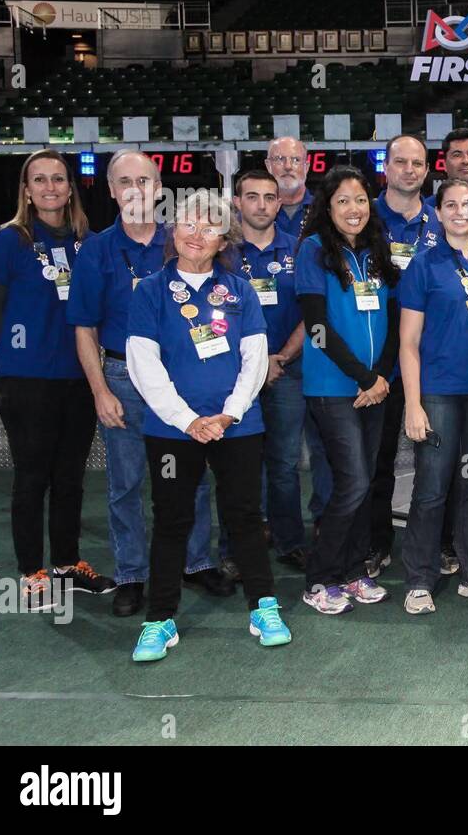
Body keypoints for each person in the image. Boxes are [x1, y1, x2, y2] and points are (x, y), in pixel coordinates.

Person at [125, 191, 290, 661]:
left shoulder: (240, 290)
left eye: (209, 228)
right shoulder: (150, 290)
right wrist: (188, 420)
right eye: (188, 225)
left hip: (237, 426)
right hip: (172, 430)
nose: (197, 235)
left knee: (244, 516)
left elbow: (255, 358)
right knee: (173, 519)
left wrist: (229, 413)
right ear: (173, 232)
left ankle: (264, 606)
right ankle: (160, 619)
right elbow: (143, 363)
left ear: (224, 240)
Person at [68, 149, 229, 617]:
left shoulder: (181, 240)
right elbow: (84, 327)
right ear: (113, 190)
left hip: (180, 378)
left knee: (192, 478)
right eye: (126, 181)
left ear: (159, 189)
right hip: (121, 377)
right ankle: (133, 574)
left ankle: (196, 562)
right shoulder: (96, 250)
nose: (136, 189)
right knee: (126, 483)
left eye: (145, 180)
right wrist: (100, 390)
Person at [0, 150, 111, 609]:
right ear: (27, 190)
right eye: (40, 180)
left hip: (78, 378)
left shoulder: (87, 241)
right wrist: (26, 349)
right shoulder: (8, 241)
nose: (50, 187)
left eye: (58, 179)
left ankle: (68, 563)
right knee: (33, 477)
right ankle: (32, 570)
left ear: (70, 187)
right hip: (28, 380)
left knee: (71, 476)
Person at [399, 178, 468, 614]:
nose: (461, 211)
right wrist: (413, 403)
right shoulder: (423, 266)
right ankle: (420, 579)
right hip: (439, 394)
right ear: (439, 212)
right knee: (431, 487)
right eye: (451, 204)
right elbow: (409, 342)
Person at [295, 166, 400, 615]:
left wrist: (382, 377)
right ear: (327, 206)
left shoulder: (377, 251)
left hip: (376, 387)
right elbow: (317, 328)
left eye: (360, 200)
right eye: (342, 201)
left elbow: (395, 322)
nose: (353, 209)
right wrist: (363, 376)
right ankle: (321, 577)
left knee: (367, 479)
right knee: (352, 481)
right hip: (334, 387)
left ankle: (355, 571)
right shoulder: (313, 251)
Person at [365, 134, 443, 577]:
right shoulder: (363, 218)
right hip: (376, 362)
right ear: (387, 167)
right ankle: (376, 543)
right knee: (377, 462)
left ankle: (439, 542)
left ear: (426, 170)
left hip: (428, 362)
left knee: (436, 460)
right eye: (401, 162)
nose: (409, 170)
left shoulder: (440, 221)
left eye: (417, 163)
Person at [228, 169, 308, 573]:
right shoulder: (221, 253)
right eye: (252, 196)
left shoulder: (299, 250)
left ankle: (290, 540)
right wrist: (254, 366)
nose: (261, 204)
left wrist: (280, 359)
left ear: (280, 203)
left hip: (286, 371)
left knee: (283, 463)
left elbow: (311, 313)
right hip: (234, 378)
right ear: (237, 202)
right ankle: (237, 547)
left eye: (269, 197)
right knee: (238, 465)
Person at [265, 136, 332, 537]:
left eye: (295, 159)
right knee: (275, 454)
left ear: (308, 166)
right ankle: (274, 527)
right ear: (268, 164)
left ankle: (326, 522)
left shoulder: (325, 212)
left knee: (325, 448)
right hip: (267, 360)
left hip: (321, 354)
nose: (288, 166)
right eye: (280, 159)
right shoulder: (248, 216)